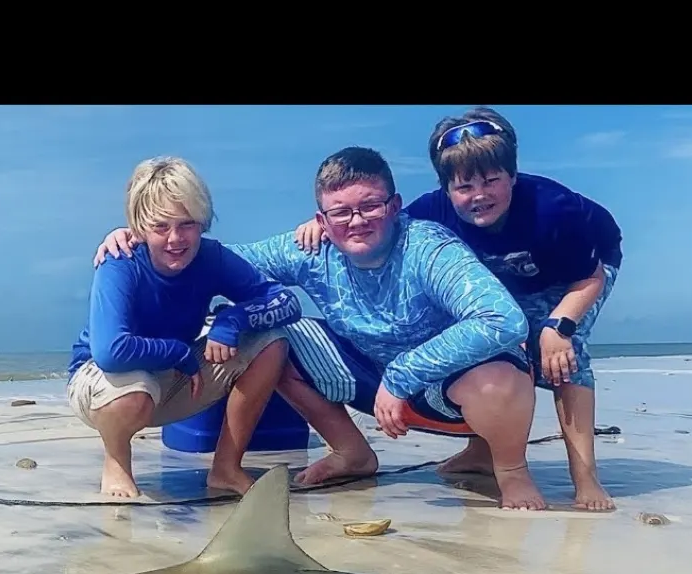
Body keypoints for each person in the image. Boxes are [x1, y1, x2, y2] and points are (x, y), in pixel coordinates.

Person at [94, 147, 557, 511]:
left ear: (395, 206)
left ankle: (511, 471)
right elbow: (214, 260)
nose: (357, 221)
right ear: (322, 219)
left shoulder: (429, 248)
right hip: (371, 380)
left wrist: (404, 375)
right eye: (341, 212)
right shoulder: (313, 247)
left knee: (499, 378)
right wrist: (137, 237)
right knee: (273, 338)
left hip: (445, 390)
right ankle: (351, 452)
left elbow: (503, 319)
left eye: (370, 206)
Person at [293, 107, 622, 512]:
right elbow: (376, 222)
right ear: (446, 188)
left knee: (562, 358)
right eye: (464, 186)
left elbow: (590, 278)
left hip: (575, 276)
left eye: (492, 180)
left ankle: (586, 477)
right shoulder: (430, 212)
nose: (479, 195)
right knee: (484, 343)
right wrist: (322, 225)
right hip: (505, 274)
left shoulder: (554, 210)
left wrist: (560, 326)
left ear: (513, 176)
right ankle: (481, 452)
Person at [70, 155, 303, 499]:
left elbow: (286, 301)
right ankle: (117, 462)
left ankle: (226, 468)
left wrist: (233, 319)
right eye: (160, 226)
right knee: (134, 392)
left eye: (187, 224)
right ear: (139, 227)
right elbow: (110, 352)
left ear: (202, 221)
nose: (175, 238)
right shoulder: (119, 261)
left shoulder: (211, 257)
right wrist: (179, 352)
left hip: (174, 377)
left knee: (271, 342)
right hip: (102, 382)